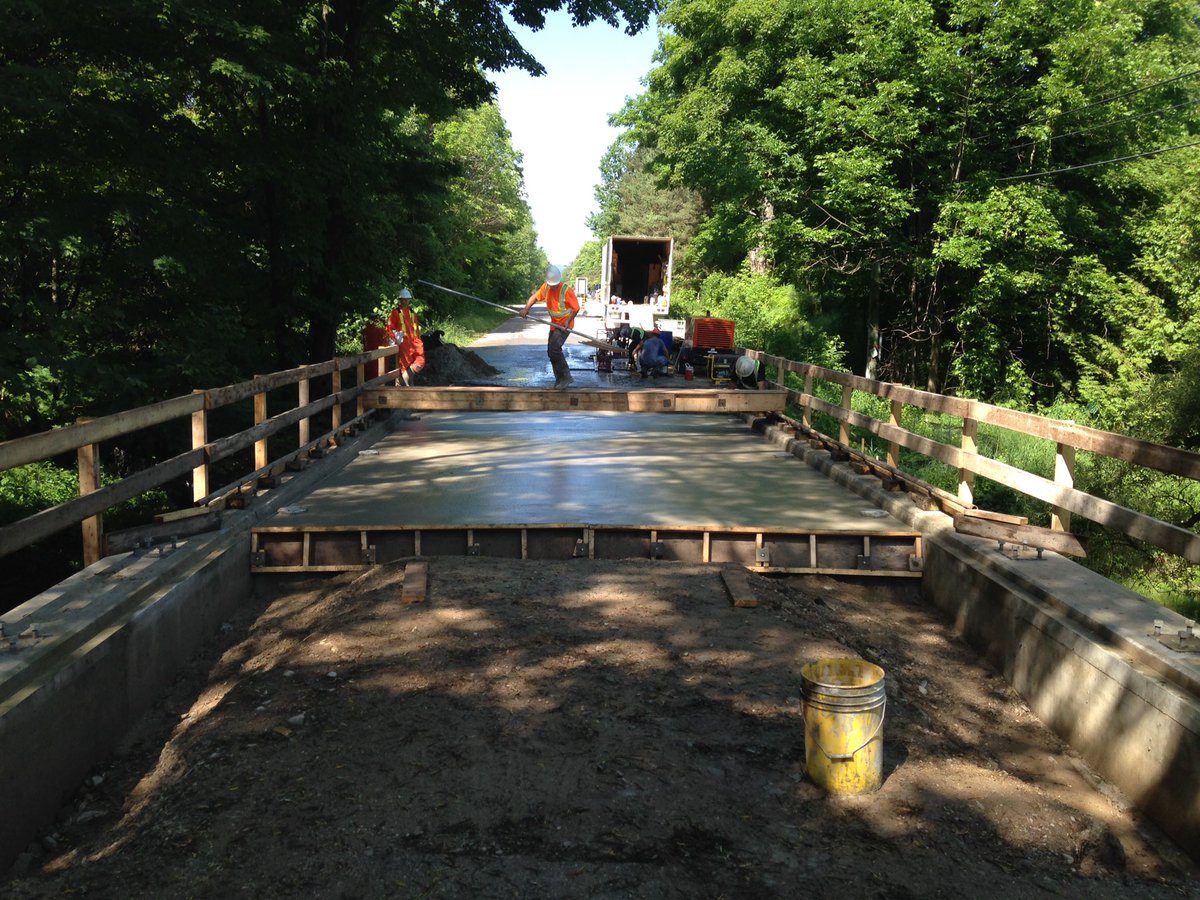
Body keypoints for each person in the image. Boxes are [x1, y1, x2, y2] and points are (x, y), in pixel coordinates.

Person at [521, 264, 581, 389]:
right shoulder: (546, 287)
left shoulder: (566, 290)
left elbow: (576, 308)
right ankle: (559, 379)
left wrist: (568, 320)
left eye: (554, 285)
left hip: (565, 324)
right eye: (551, 284)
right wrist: (526, 309)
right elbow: (534, 297)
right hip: (554, 324)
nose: (552, 287)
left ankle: (566, 377)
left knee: (555, 350)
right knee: (551, 352)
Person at [387, 287, 425, 385]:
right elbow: (389, 327)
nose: (405, 301)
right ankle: (406, 386)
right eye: (403, 299)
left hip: (415, 342)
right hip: (404, 343)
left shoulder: (412, 313)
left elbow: (416, 329)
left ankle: (403, 383)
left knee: (420, 361)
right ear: (400, 300)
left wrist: (418, 340)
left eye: (407, 299)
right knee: (405, 364)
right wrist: (394, 338)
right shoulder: (395, 313)